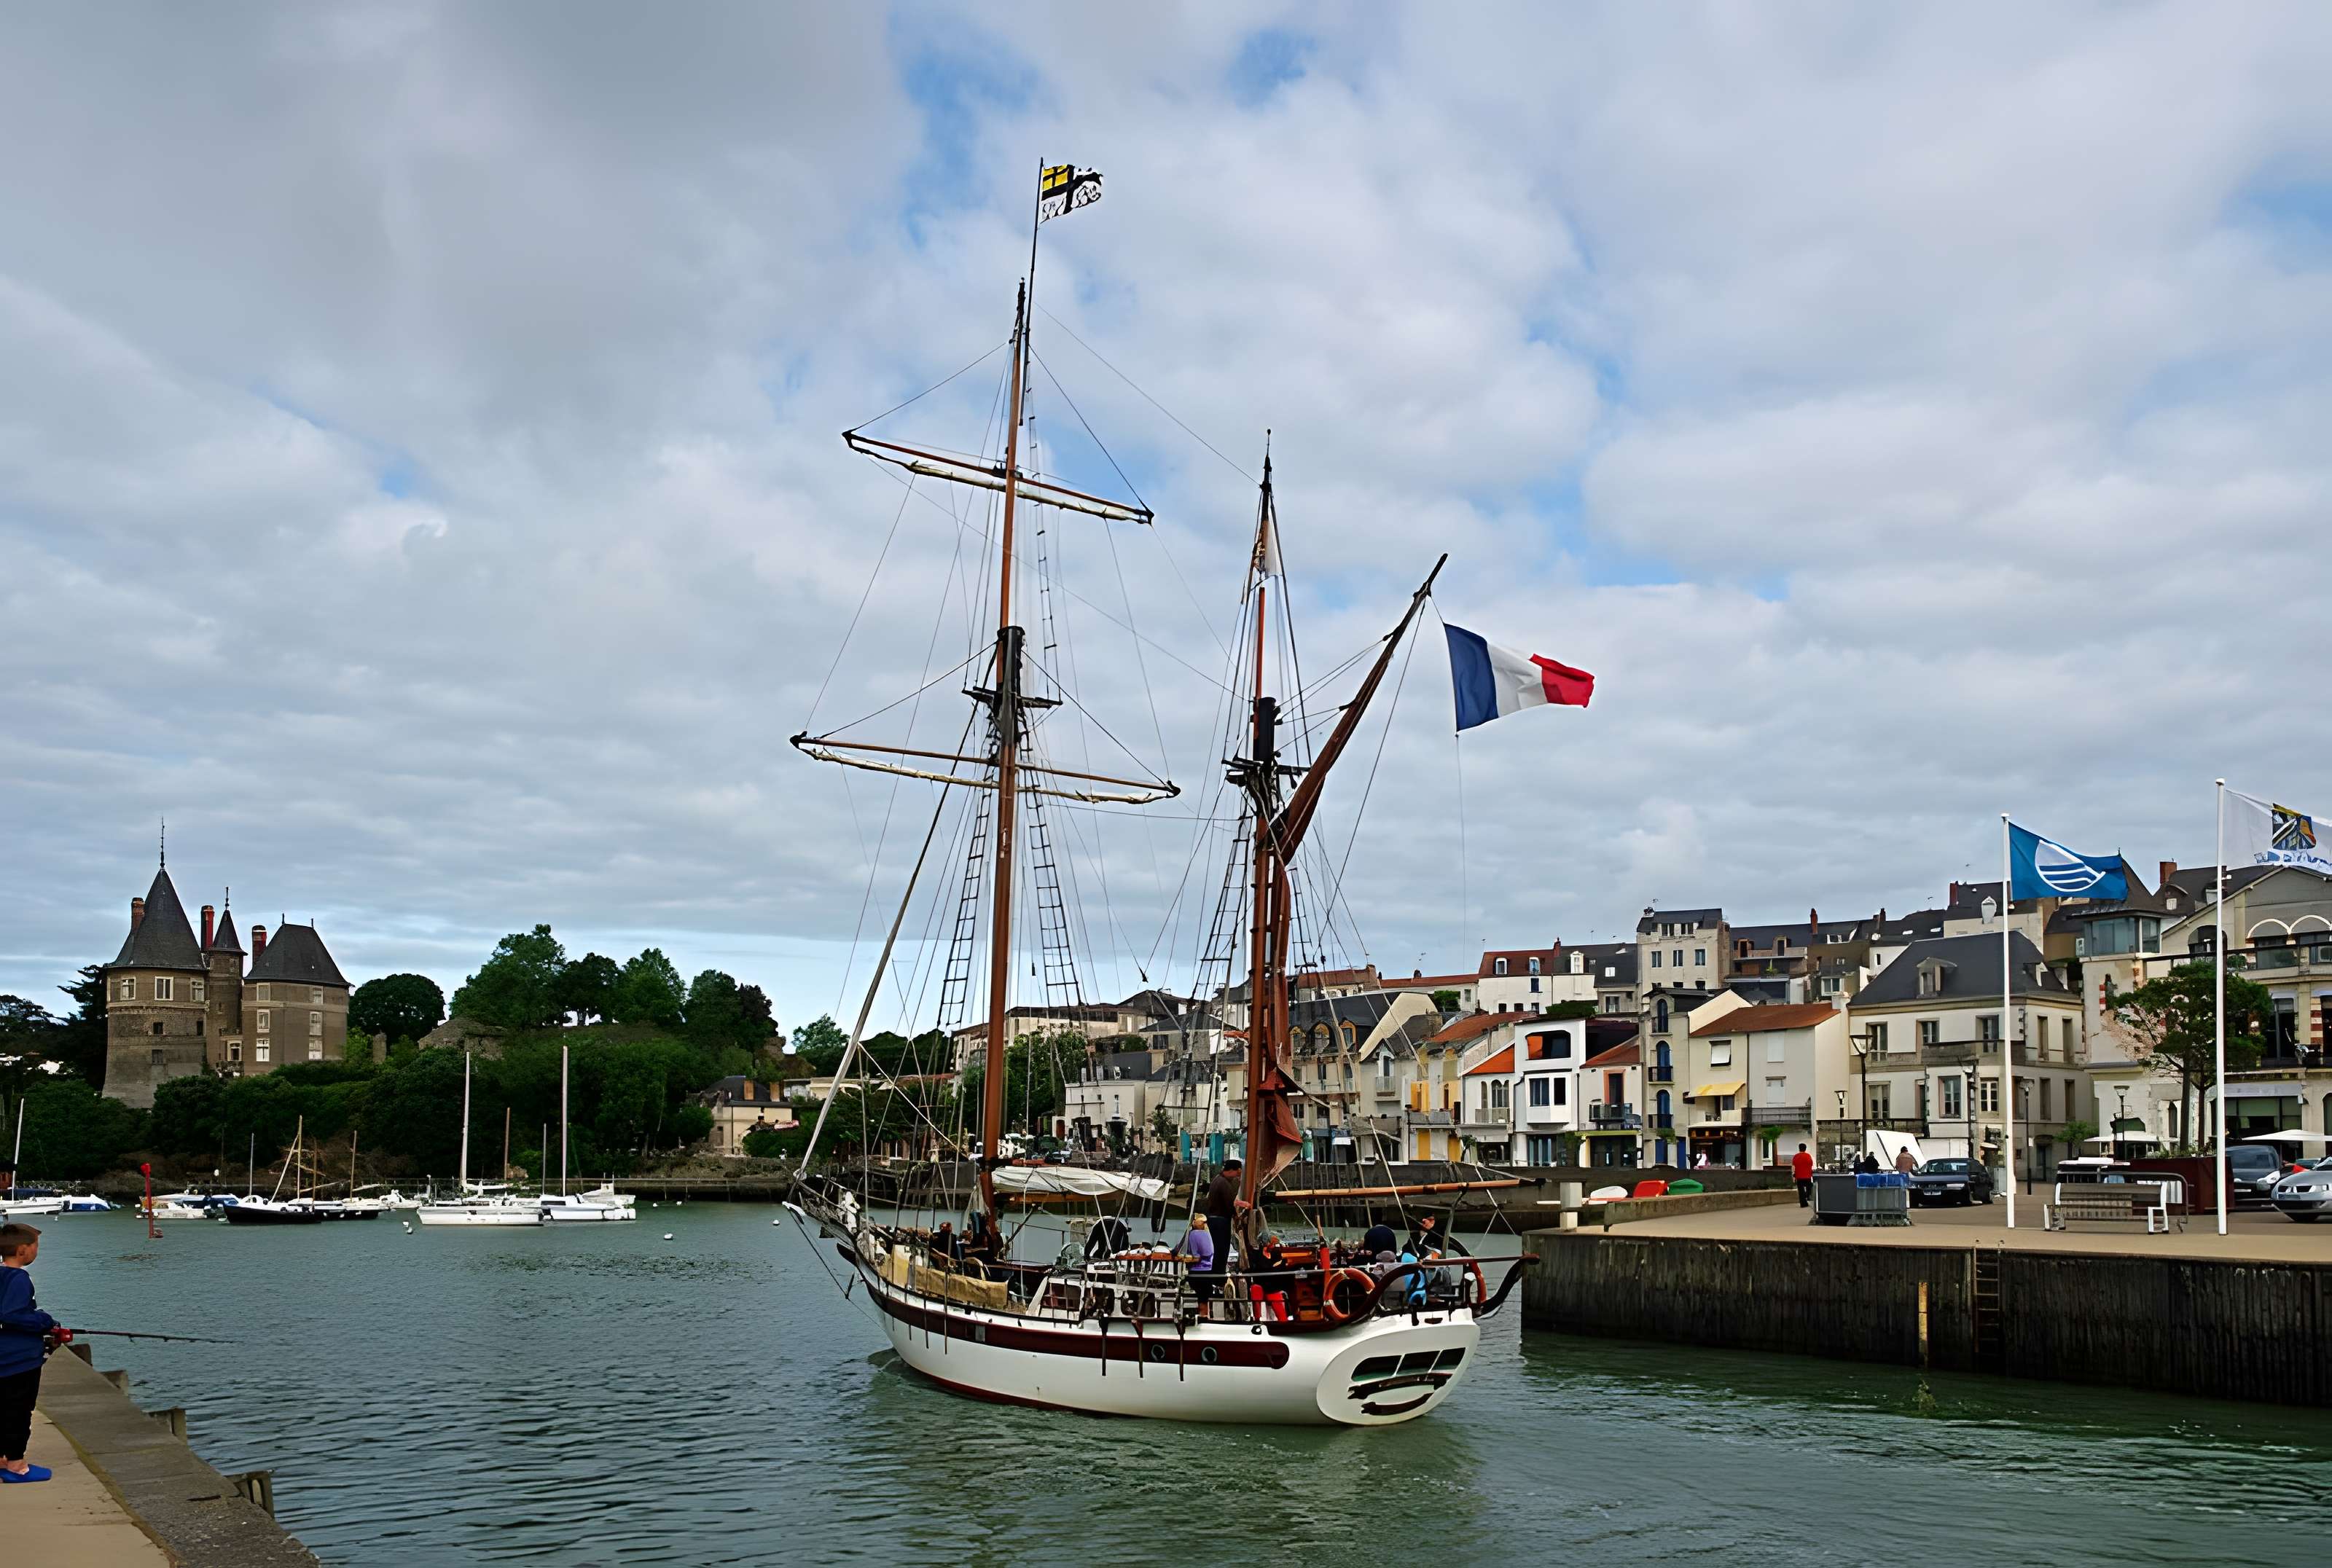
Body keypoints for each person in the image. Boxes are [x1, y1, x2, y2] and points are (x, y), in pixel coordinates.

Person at [1, 1223, 59, 1483]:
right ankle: (16, 1465)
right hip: (19, 1361)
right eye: (36, 1247)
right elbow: (11, 1315)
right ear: (23, 1250)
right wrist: (45, 1321)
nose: (37, 1251)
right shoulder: (19, 1278)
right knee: (20, 1411)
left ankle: (2, 1458)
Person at [1203, 1159, 1246, 1294]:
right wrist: (1239, 1213)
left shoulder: (1218, 1180)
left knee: (1218, 1252)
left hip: (1215, 1221)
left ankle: (1215, 1280)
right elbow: (1230, 1204)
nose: (1238, 1176)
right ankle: (1218, 1280)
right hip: (1220, 1222)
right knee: (1221, 1252)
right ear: (1232, 1170)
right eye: (1238, 1173)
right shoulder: (1223, 1183)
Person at [1181, 1217, 1216, 1305]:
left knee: (1199, 1296)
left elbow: (1196, 1258)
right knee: (1204, 1298)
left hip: (1196, 1272)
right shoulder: (1208, 1234)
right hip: (1208, 1271)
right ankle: (1204, 1314)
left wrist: (1184, 1259)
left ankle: (1201, 1314)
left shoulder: (1193, 1234)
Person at [1791, 1143, 1815, 1208]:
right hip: (1808, 1176)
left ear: (1799, 1148)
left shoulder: (1796, 1156)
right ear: (1805, 1148)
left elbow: (1793, 1167)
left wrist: (1793, 1174)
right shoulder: (1808, 1156)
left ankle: (1803, 1204)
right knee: (1809, 1188)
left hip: (1799, 1176)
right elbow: (1811, 1165)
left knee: (1801, 1191)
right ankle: (1807, 1196)